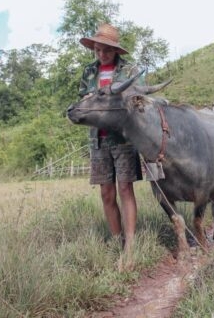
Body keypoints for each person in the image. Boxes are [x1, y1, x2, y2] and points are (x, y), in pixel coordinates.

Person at [78, 23, 144, 263]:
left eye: (106, 50)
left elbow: (136, 100)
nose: (102, 55)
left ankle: (131, 244)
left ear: (115, 51)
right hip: (98, 137)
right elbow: (84, 99)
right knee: (106, 192)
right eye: (97, 50)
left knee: (126, 188)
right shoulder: (89, 72)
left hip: (124, 137)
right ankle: (117, 240)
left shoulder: (128, 71)